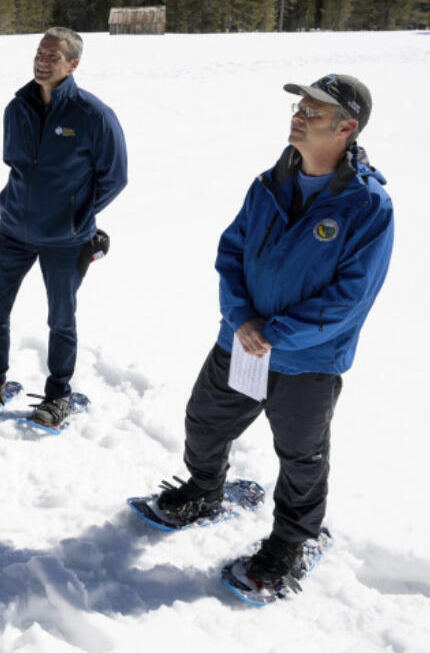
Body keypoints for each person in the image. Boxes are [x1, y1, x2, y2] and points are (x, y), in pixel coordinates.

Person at [154, 74, 393, 593]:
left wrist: (276, 334)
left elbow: (351, 297)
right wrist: (240, 317)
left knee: (301, 457)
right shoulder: (268, 184)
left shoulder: (367, 205)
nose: (299, 114)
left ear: (346, 127)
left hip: (308, 360)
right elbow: (231, 253)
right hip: (240, 342)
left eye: (314, 110)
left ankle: (292, 540)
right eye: (300, 106)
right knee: (205, 422)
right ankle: (204, 490)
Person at [0, 28, 127, 428]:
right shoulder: (17, 107)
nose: (42, 61)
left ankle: (58, 394)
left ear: (73, 64)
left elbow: (115, 177)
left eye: (53, 56)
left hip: (66, 239)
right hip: (13, 229)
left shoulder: (93, 114)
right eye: (39, 53)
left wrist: (78, 216)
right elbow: (15, 164)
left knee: (61, 319)